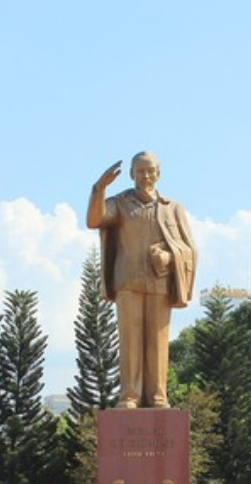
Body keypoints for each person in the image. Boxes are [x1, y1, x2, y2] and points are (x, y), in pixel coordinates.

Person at [86, 152, 197, 409]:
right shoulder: (119, 203)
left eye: (150, 171)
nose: (145, 176)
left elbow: (189, 248)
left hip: (159, 282)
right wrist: (99, 189)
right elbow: (94, 220)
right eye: (140, 171)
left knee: (158, 342)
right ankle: (130, 395)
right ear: (131, 174)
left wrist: (170, 257)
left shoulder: (172, 208)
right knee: (130, 340)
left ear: (158, 173)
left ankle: (158, 395)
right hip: (127, 281)